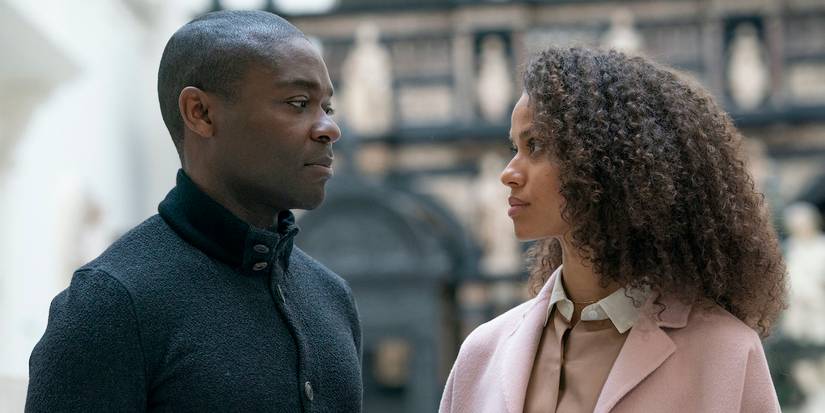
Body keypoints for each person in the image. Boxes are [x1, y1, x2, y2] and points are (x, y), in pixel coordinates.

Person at [26, 10, 362, 412]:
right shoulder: (111, 304)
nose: (328, 128)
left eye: (328, 107)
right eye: (297, 102)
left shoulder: (331, 296)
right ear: (200, 113)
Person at [440, 47, 786, 413]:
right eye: (516, 147)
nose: (508, 172)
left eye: (535, 145)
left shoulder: (726, 353)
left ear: (603, 164)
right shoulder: (482, 353)